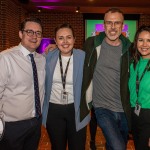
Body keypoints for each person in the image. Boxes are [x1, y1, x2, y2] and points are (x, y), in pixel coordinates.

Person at [80, 7, 131, 150]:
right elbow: (74, 55)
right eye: (109, 23)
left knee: (114, 145)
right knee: (119, 147)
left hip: (124, 109)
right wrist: (54, 48)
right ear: (104, 25)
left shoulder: (129, 49)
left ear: (122, 25)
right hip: (102, 108)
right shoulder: (91, 44)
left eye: (117, 23)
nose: (113, 27)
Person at [42, 23, 90, 150]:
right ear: (55, 40)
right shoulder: (47, 57)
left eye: (69, 37)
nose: (65, 41)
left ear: (74, 39)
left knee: (78, 147)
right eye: (60, 38)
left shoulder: (83, 57)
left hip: (76, 109)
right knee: (57, 147)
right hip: (53, 110)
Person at [0, 17, 45, 150]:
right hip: (12, 127)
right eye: (29, 32)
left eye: (38, 33)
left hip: (36, 123)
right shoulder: (5, 58)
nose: (34, 36)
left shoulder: (41, 59)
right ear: (21, 34)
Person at [129, 25, 150, 150]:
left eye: (149, 40)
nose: (144, 44)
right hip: (135, 114)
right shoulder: (133, 65)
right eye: (141, 40)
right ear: (136, 42)